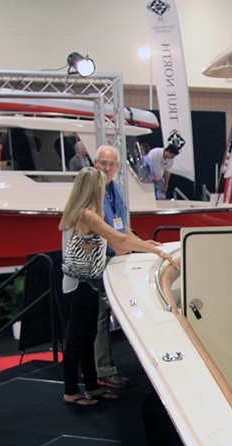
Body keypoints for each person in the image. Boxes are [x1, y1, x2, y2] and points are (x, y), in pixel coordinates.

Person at [59, 168, 175, 406]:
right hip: (81, 285)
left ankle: (91, 385)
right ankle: (71, 390)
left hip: (84, 285)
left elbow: (120, 237)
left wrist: (144, 243)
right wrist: (157, 251)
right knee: (76, 339)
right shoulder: (89, 215)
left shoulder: (80, 213)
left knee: (87, 337)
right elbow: (120, 241)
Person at [92, 144, 157, 389]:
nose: (106, 168)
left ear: (118, 168)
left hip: (118, 259)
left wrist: (140, 243)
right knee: (100, 317)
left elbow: (122, 228)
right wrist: (142, 247)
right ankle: (103, 369)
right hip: (101, 261)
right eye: (102, 163)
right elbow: (108, 234)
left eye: (111, 164)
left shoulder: (114, 189)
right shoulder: (93, 191)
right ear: (95, 163)